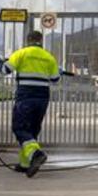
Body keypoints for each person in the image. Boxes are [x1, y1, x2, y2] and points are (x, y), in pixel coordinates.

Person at [6, 30, 62, 177]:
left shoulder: (21, 53)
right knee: (32, 131)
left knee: (20, 128)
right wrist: (58, 72)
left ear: (28, 40)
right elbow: (55, 79)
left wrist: (2, 63)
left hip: (26, 95)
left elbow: (5, 70)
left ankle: (37, 154)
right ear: (41, 41)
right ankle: (26, 164)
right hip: (43, 97)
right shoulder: (48, 57)